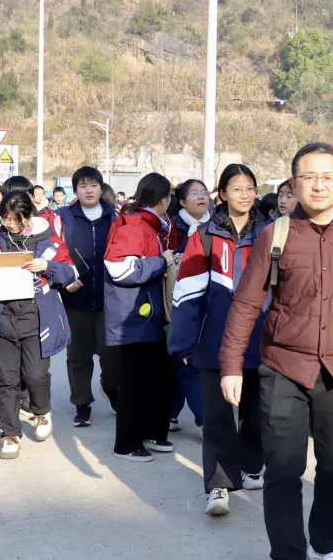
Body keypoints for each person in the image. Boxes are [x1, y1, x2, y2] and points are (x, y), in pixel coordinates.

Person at [221, 142, 333, 560]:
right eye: (309, 177)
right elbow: (246, 303)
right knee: (283, 469)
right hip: (283, 367)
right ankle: (288, 552)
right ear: (294, 182)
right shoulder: (275, 234)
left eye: (327, 177)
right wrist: (231, 365)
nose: (319, 185)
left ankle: (327, 544)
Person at [171, 164, 267, 516]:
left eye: (250, 188)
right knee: (217, 415)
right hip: (215, 341)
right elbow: (187, 291)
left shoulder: (270, 234)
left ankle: (252, 465)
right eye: (236, 188)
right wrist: (183, 342)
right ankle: (219, 485)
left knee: (256, 411)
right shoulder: (204, 236)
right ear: (222, 194)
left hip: (260, 339)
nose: (245, 194)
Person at [0, 191, 76, 459]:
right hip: (1, 316)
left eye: (17, 220)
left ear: (29, 216)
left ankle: (41, 411)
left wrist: (46, 266)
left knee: (36, 375)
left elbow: (70, 272)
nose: (11, 225)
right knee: (6, 378)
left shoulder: (47, 237)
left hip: (37, 316)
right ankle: (10, 433)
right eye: (6, 219)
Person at [104, 173, 179, 461]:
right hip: (133, 318)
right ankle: (126, 444)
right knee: (135, 384)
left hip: (147, 317)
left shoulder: (148, 225)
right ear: (164, 200)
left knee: (157, 378)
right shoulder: (135, 225)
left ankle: (150, 432)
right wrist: (162, 261)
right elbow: (119, 270)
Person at [58, 166, 119, 428]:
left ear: (101, 188)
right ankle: (82, 404)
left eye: (93, 185)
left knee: (112, 355)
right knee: (78, 356)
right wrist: (63, 282)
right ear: (75, 190)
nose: (89, 190)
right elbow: (53, 253)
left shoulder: (115, 218)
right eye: (82, 186)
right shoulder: (63, 218)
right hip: (75, 299)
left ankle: (111, 388)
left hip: (109, 300)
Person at [167, 179, 210, 434]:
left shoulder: (216, 225)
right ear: (182, 201)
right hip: (181, 299)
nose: (201, 197)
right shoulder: (173, 226)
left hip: (208, 300)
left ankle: (172, 412)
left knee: (188, 360)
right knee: (184, 359)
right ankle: (202, 419)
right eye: (194, 193)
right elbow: (170, 257)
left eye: (204, 192)